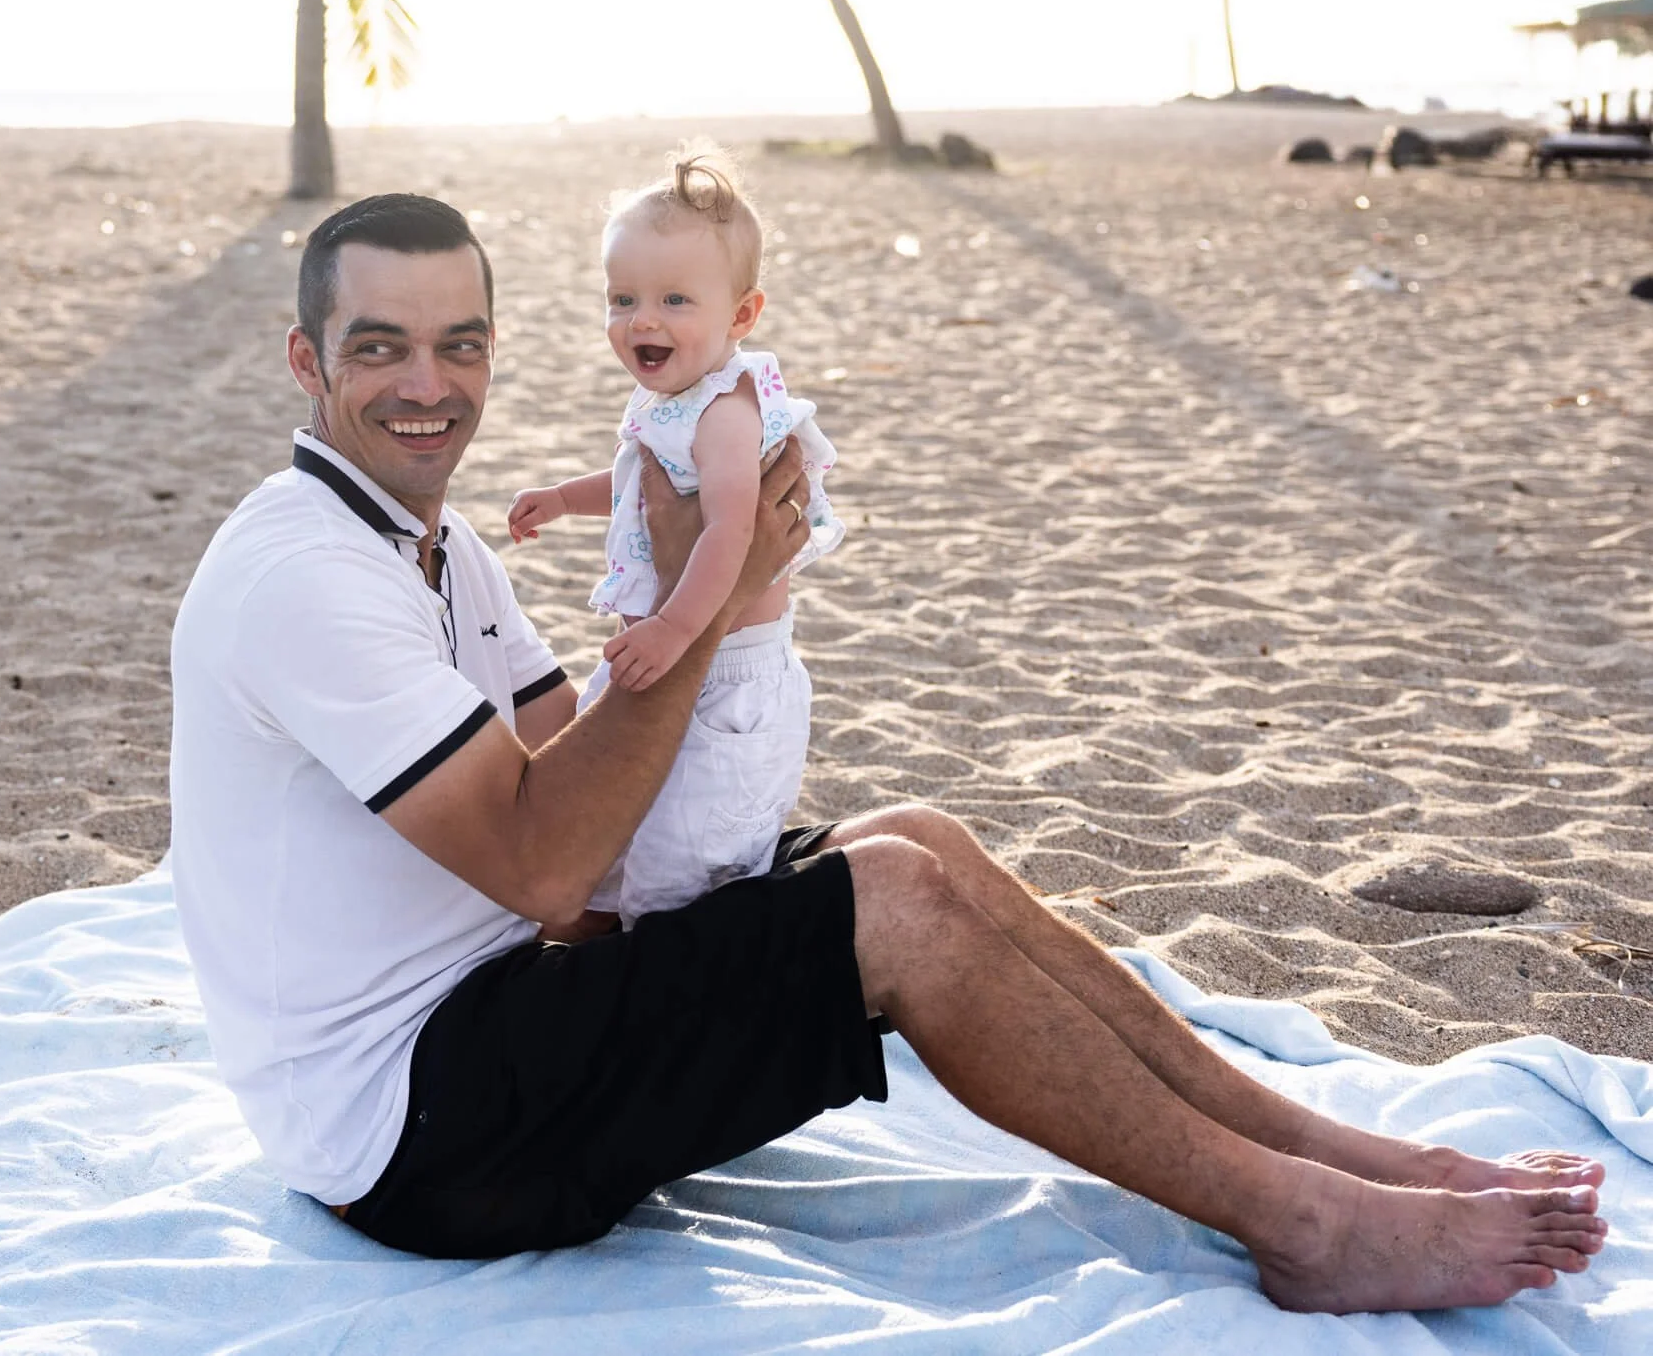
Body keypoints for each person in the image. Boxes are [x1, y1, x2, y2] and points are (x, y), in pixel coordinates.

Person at [166, 191, 1605, 1313]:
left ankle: (1338, 1153)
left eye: (461, 343)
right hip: (424, 1130)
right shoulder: (304, 573)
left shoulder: (436, 542)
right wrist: (714, 596)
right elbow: (552, 864)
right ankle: (1308, 1224)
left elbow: (579, 770)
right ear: (307, 360)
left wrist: (719, 639)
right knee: (894, 907)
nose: (429, 383)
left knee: (912, 841)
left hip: (501, 1018)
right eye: (380, 346)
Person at [507, 146, 843, 935]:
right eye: (622, 298)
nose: (643, 319)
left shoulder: (726, 410)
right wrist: (564, 498)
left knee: (685, 879)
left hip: (723, 677)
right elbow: (642, 480)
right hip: (670, 656)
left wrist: (671, 628)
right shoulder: (670, 398)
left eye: (675, 299)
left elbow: (734, 529)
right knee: (610, 850)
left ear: (741, 316)